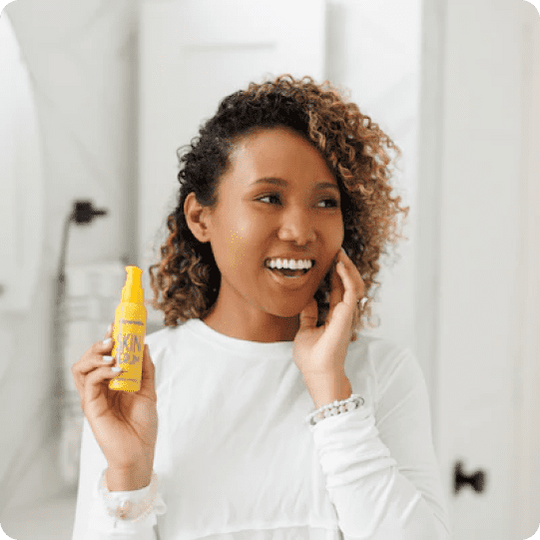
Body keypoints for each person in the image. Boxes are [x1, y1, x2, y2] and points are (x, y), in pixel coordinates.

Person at [71, 74, 451, 539]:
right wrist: (129, 475)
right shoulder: (138, 381)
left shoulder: (381, 373)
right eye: (269, 197)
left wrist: (332, 394)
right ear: (200, 217)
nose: (299, 230)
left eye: (325, 202)